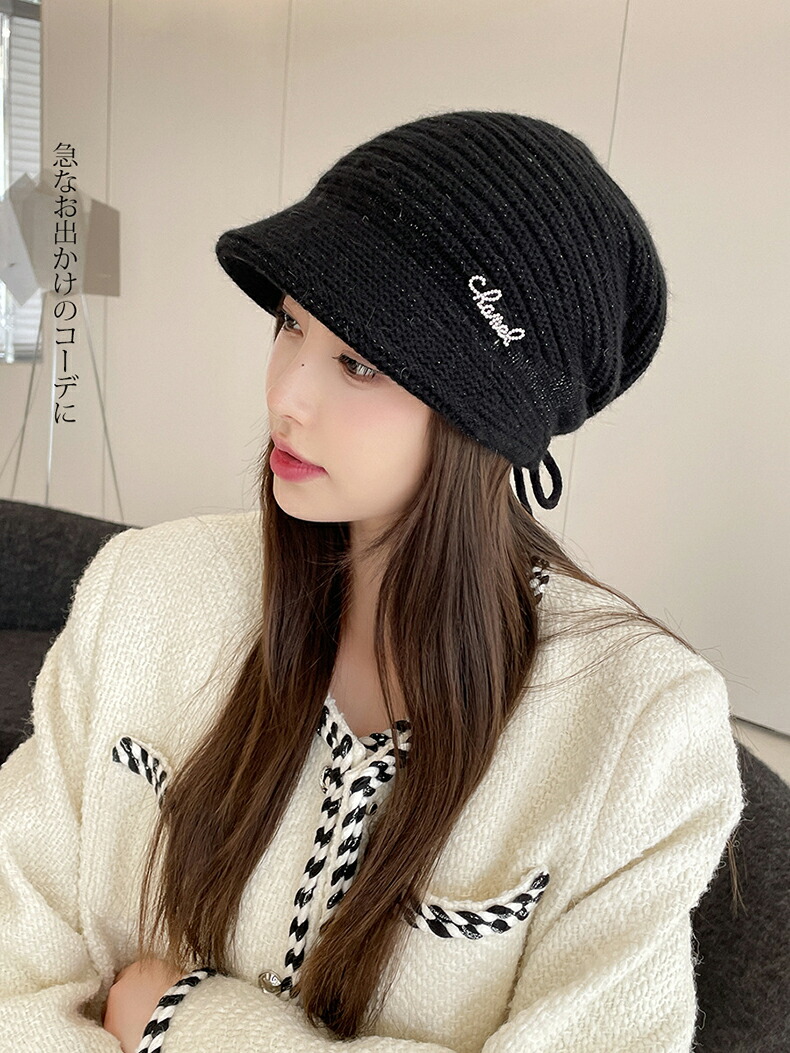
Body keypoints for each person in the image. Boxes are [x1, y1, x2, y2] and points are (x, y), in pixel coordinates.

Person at [0, 110, 743, 1053]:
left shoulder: (637, 726)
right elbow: (14, 970)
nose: (285, 394)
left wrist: (185, 1021)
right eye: (289, 325)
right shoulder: (142, 592)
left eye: (357, 362)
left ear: (487, 418)